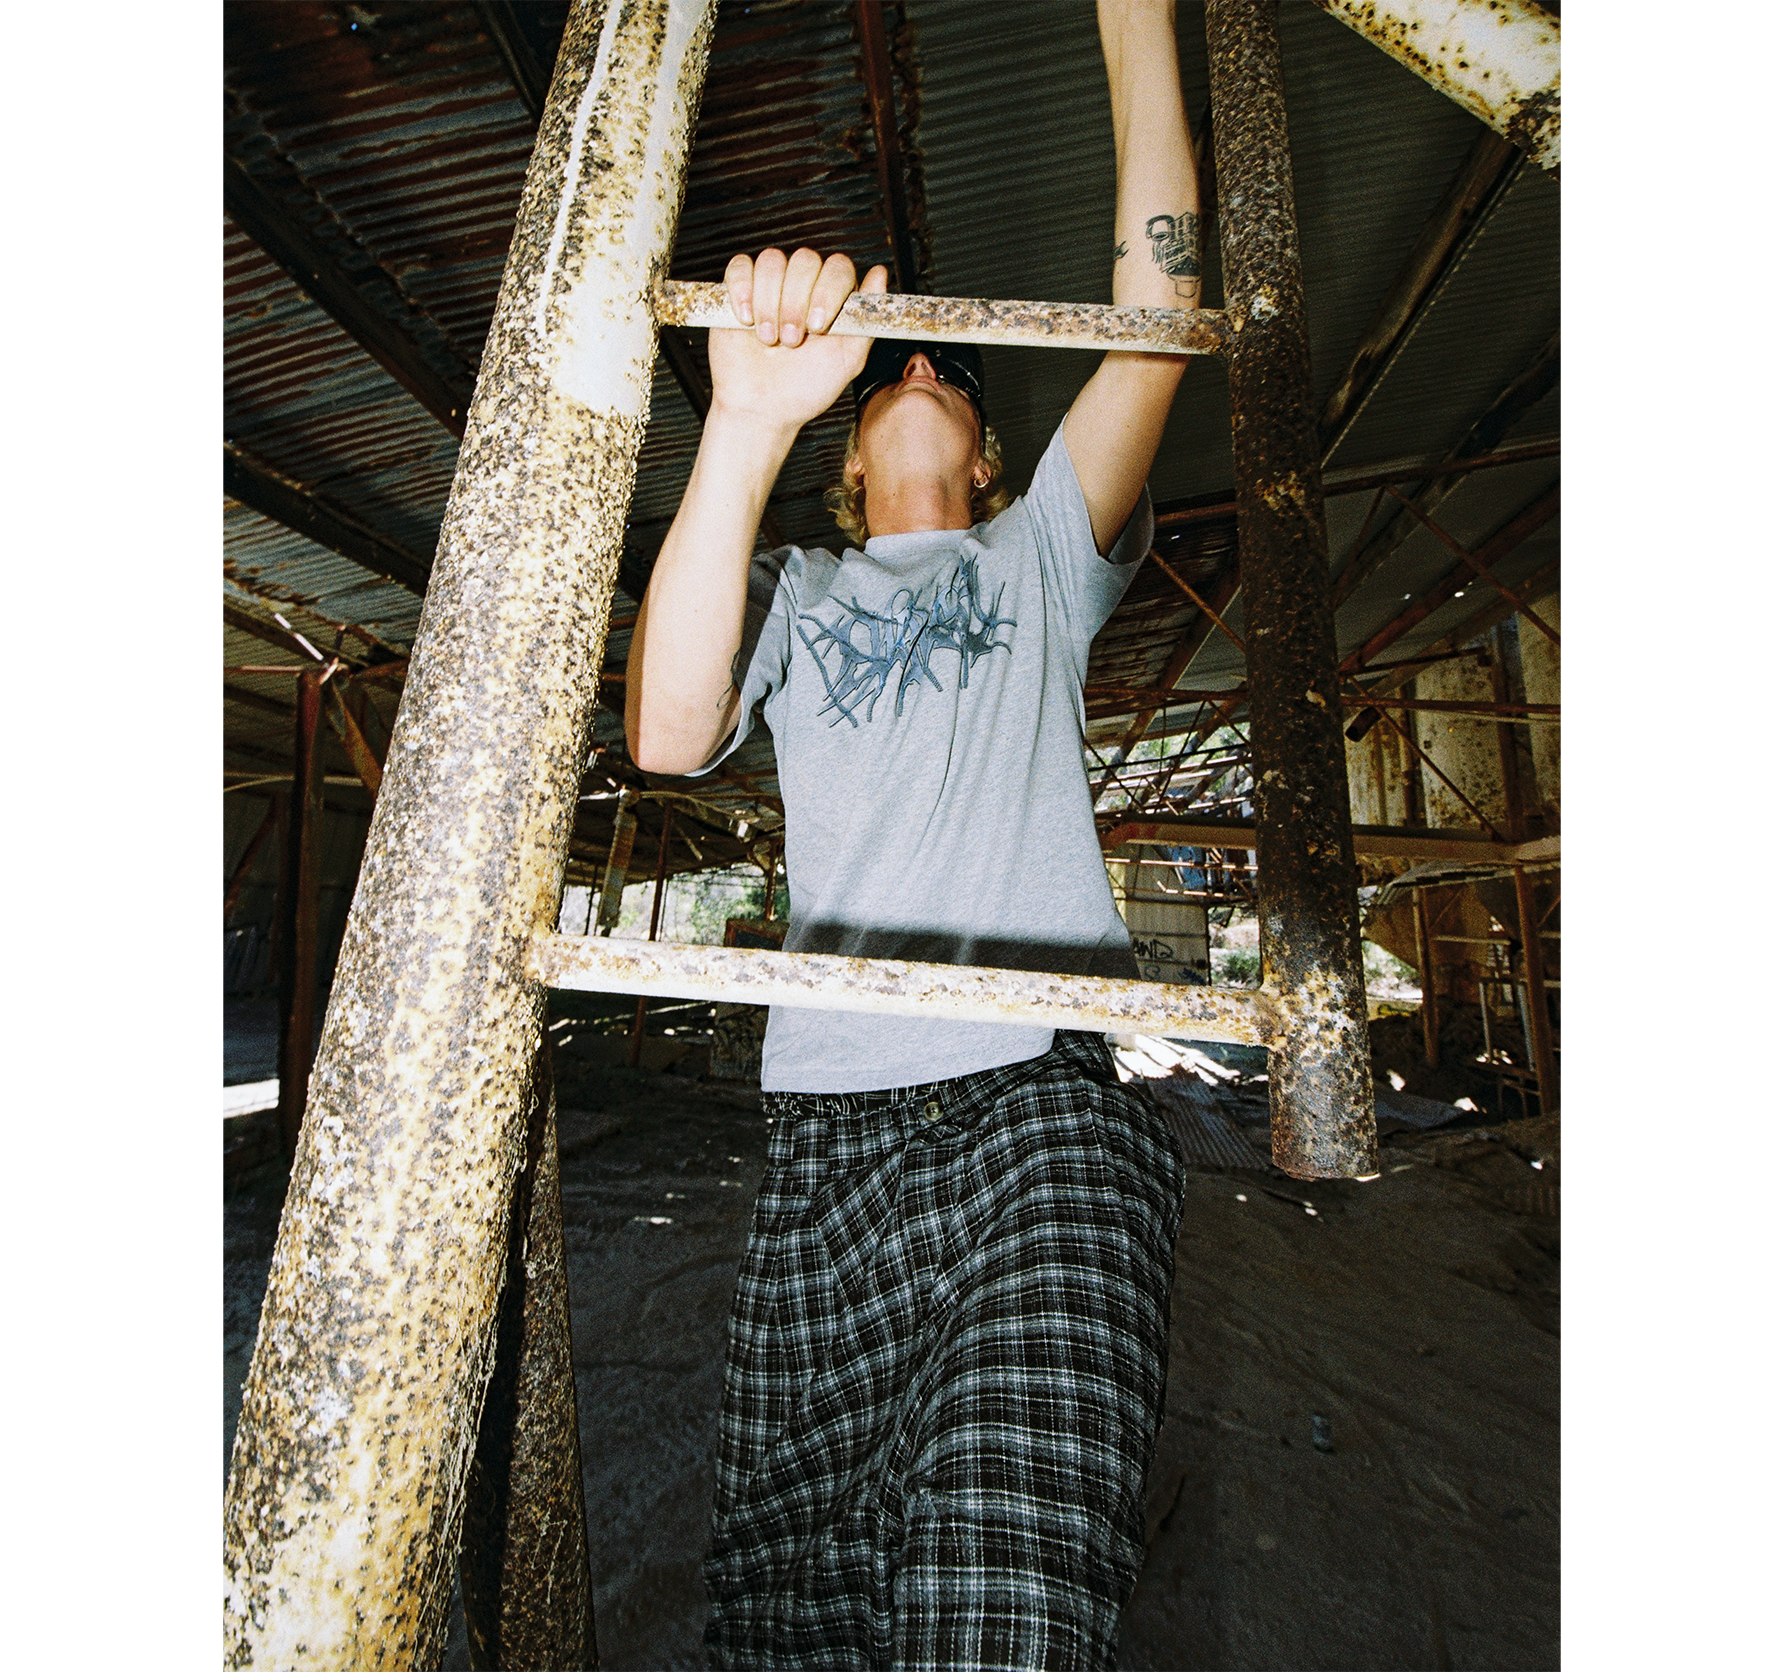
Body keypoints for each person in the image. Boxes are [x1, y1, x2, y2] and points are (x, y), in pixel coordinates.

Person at [627, 4, 1201, 1664]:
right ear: (848, 456)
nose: (923, 364)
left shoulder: (1038, 561)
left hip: (1044, 1100)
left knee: (1009, 1578)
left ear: (993, 454)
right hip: (830, 1124)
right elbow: (666, 734)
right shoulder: (797, 588)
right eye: (896, 366)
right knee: (789, 1608)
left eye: (948, 365)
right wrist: (746, 423)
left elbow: (1159, 320)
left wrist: (1137, 23)